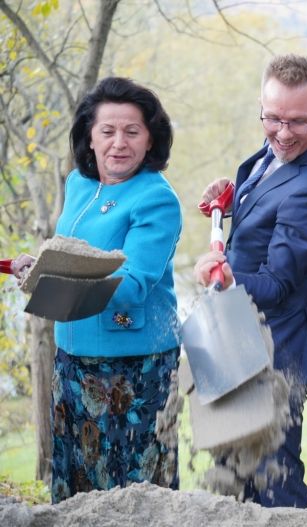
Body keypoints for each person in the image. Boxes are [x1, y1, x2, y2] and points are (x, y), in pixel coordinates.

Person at [9, 77, 182, 503]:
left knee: (133, 498)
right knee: (77, 490)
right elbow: (73, 250)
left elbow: (134, 284)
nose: (118, 143)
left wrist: (55, 277)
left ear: (149, 140)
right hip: (71, 361)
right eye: (107, 131)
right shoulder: (78, 184)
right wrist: (39, 265)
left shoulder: (157, 199)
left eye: (132, 131)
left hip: (133, 369)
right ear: (89, 136)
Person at [193, 54, 307, 508]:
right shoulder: (282, 149)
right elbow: (262, 200)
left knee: (271, 477)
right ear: (262, 107)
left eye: (298, 122)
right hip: (238, 337)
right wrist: (233, 196)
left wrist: (222, 275)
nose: (282, 133)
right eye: (273, 118)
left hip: (275, 350)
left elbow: (277, 284)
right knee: (231, 467)